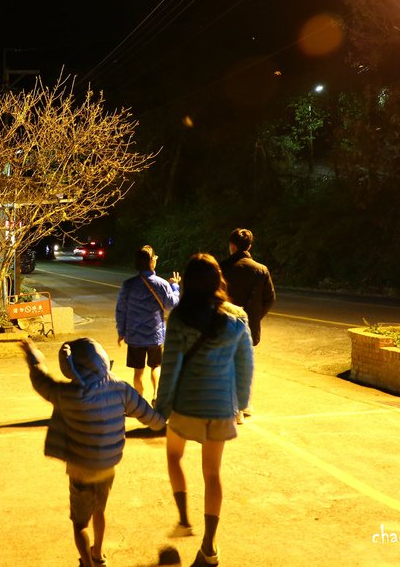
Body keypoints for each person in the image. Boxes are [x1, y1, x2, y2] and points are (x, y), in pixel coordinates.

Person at [20, 336, 166, 567]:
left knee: (80, 523)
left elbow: (41, 382)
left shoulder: (66, 394)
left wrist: (33, 357)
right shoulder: (120, 388)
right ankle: (98, 554)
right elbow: (150, 418)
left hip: (80, 469)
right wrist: (164, 420)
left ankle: (87, 563)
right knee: (100, 510)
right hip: (108, 466)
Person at [154, 253, 254, 566]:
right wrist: (240, 404)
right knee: (212, 474)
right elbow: (245, 366)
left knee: (173, 456)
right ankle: (209, 549)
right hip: (220, 406)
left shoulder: (181, 318)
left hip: (186, 405)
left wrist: (161, 408)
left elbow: (170, 367)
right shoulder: (237, 317)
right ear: (217, 280)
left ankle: (184, 520)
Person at [219, 228, 274, 422]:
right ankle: (243, 405)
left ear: (232, 246)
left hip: (223, 323)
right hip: (248, 325)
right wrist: (255, 316)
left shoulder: (221, 267)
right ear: (249, 246)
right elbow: (269, 299)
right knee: (244, 364)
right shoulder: (261, 270)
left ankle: (233, 407)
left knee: (227, 364)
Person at [116, 245, 181, 403]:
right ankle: (156, 395)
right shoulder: (161, 284)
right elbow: (172, 304)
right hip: (155, 335)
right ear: (152, 262)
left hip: (135, 336)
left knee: (138, 372)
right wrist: (175, 286)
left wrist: (121, 332)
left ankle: (139, 400)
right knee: (156, 366)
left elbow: (121, 310)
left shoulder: (128, 284)